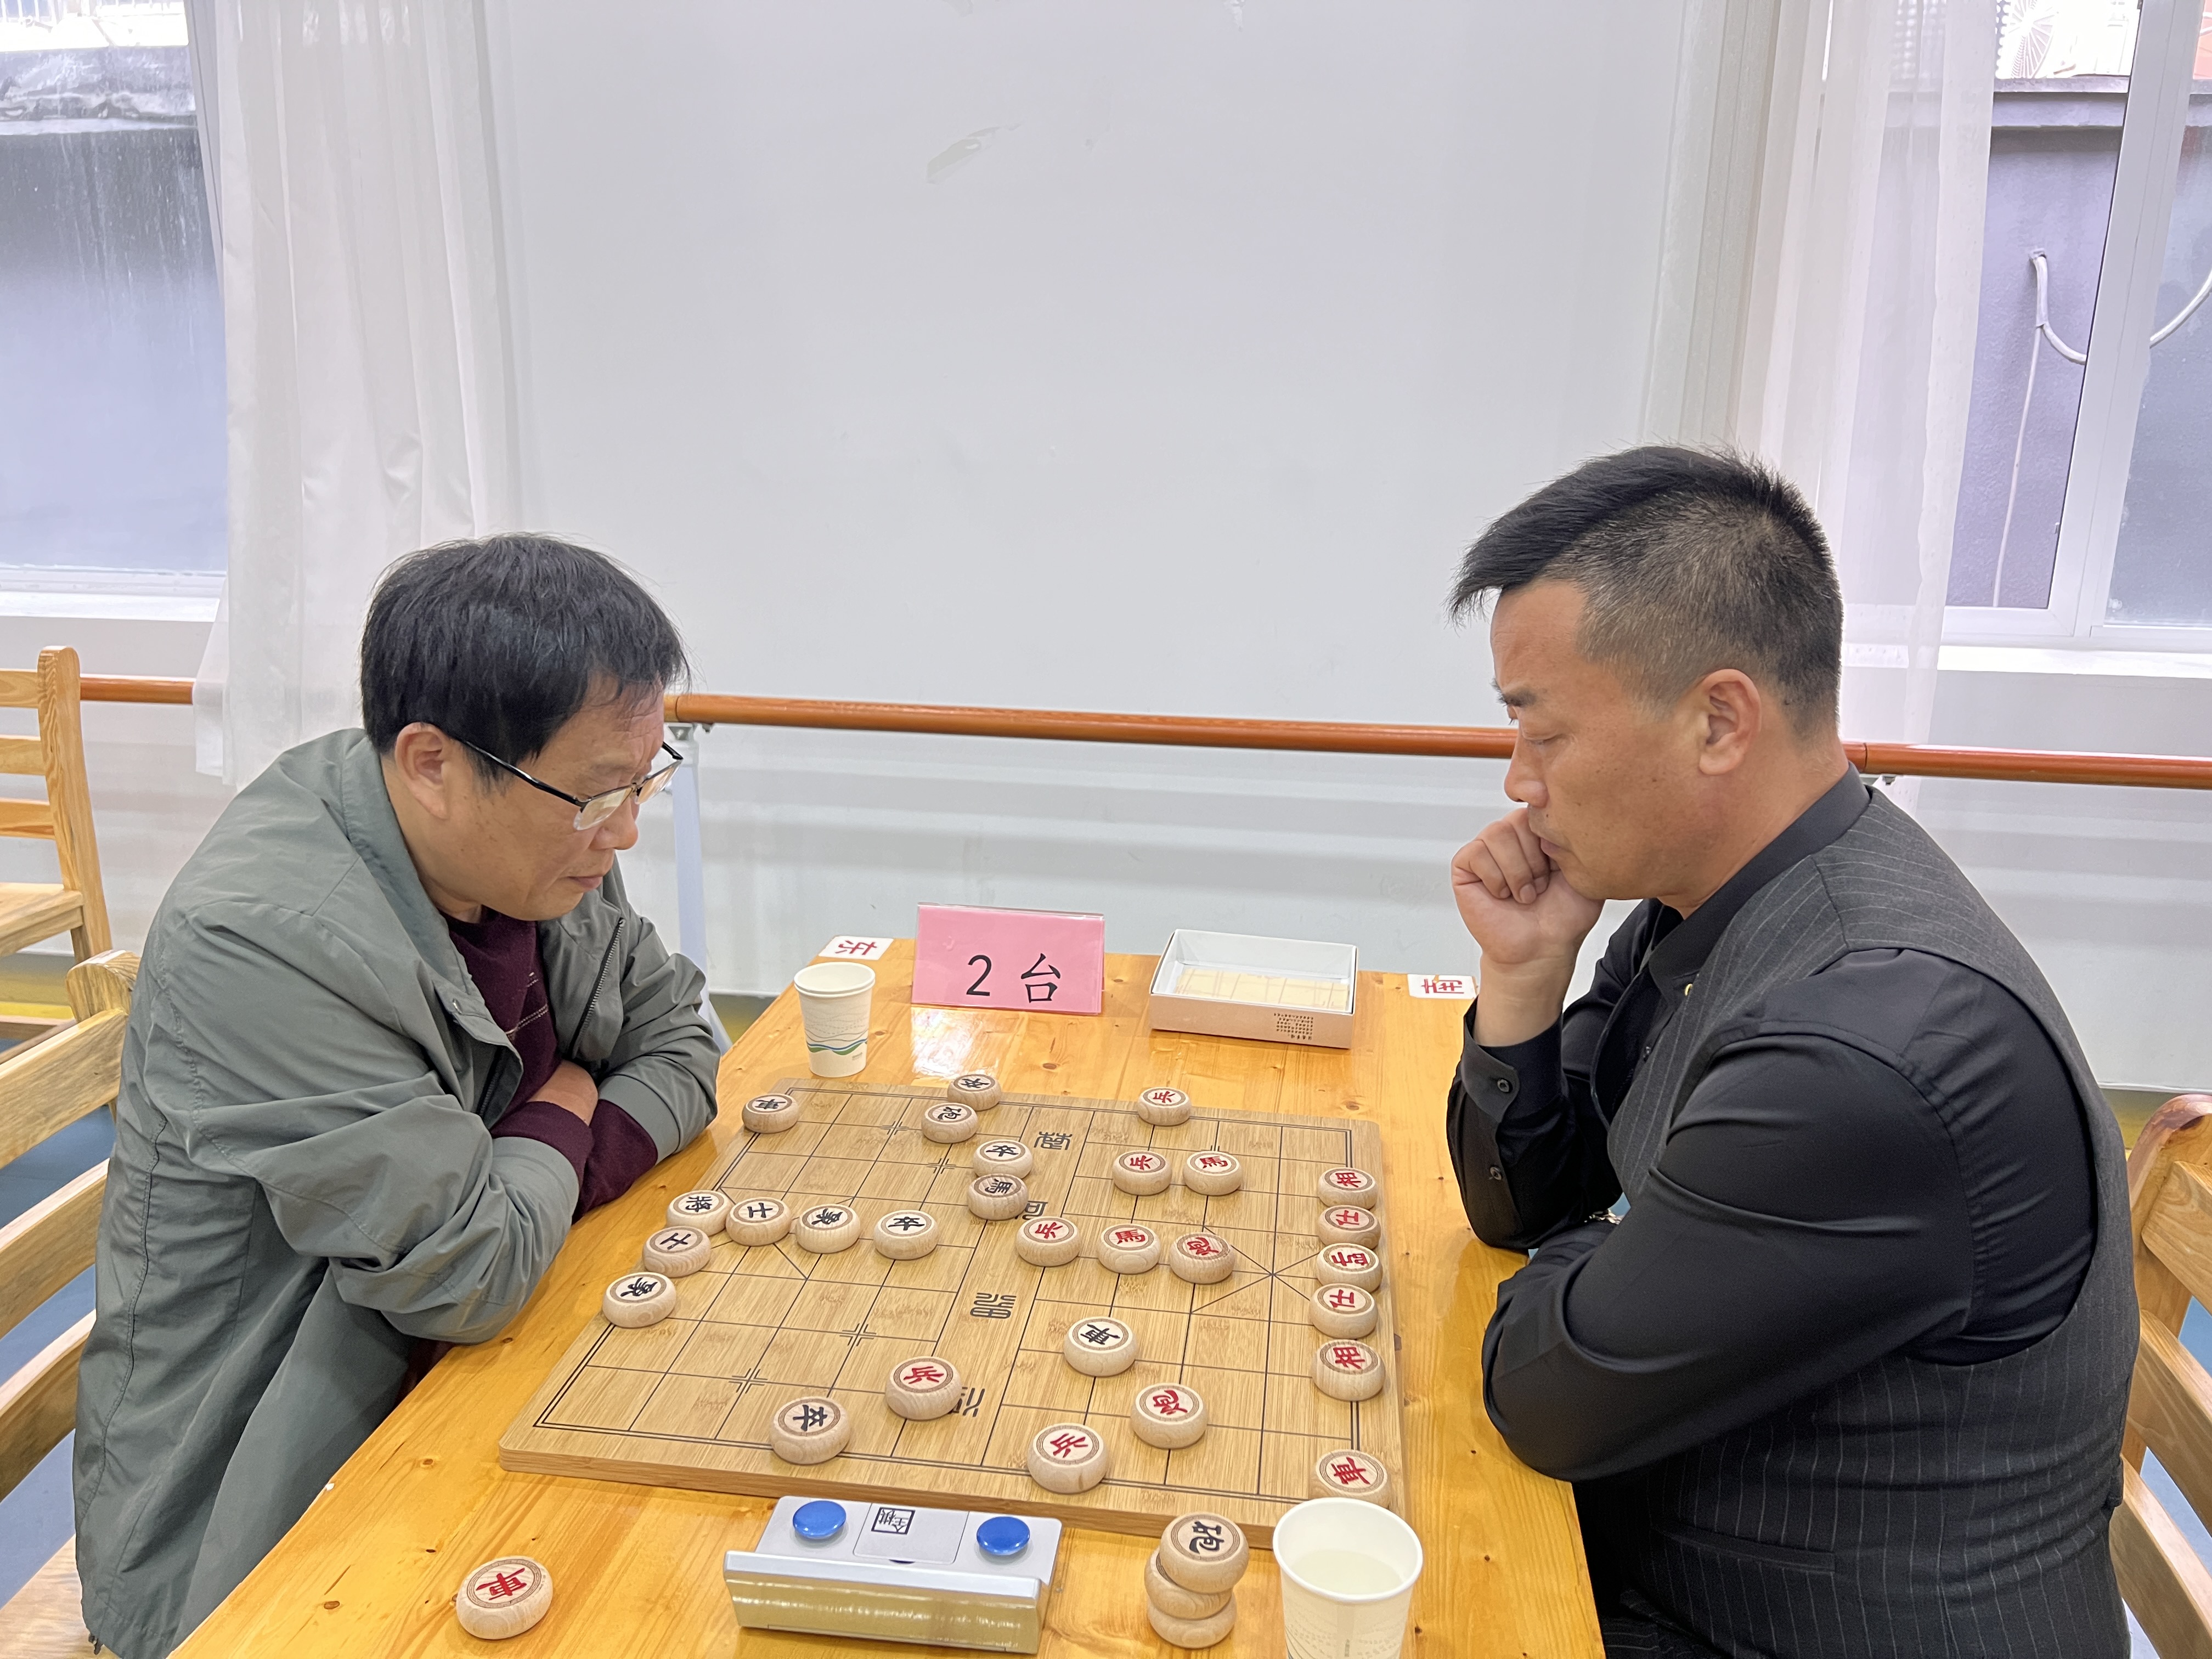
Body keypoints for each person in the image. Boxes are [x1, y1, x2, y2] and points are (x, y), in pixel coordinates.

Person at [1442, 448, 2132, 1658]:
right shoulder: (1718, 893)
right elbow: (1532, 1204)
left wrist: (1615, 1239)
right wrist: (1522, 979)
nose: (1519, 781)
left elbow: (1546, 1392)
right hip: (1676, 1547)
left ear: (1719, 721)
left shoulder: (1866, 1044)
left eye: (1542, 732)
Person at [73, 536, 720, 1659]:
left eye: (642, 780)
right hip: (263, 1493)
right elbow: (465, 1274)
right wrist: (567, 1104)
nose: (623, 830)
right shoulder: (263, 936)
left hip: (483, 1356)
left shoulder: (530, 836)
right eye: (598, 795)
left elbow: (682, 1043)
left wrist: (541, 1160)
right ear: (431, 762)